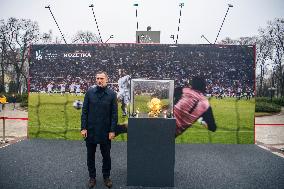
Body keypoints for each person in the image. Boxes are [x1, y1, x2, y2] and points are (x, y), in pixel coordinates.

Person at [115, 76, 217, 137]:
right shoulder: (206, 105)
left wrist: (158, 107)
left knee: (129, 125)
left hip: (163, 123)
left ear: (192, 85)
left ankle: (114, 131)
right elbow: (213, 128)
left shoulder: (184, 90)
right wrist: (200, 120)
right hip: (173, 134)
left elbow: (157, 95)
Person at [81, 71, 117, 188]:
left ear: (106, 79)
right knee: (90, 155)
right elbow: (84, 112)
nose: (99, 80)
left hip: (105, 132)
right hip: (91, 130)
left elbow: (114, 114)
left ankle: (106, 177)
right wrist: (83, 128)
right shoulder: (89, 93)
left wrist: (112, 130)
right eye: (97, 78)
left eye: (101, 78)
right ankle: (92, 177)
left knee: (106, 155)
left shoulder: (112, 94)